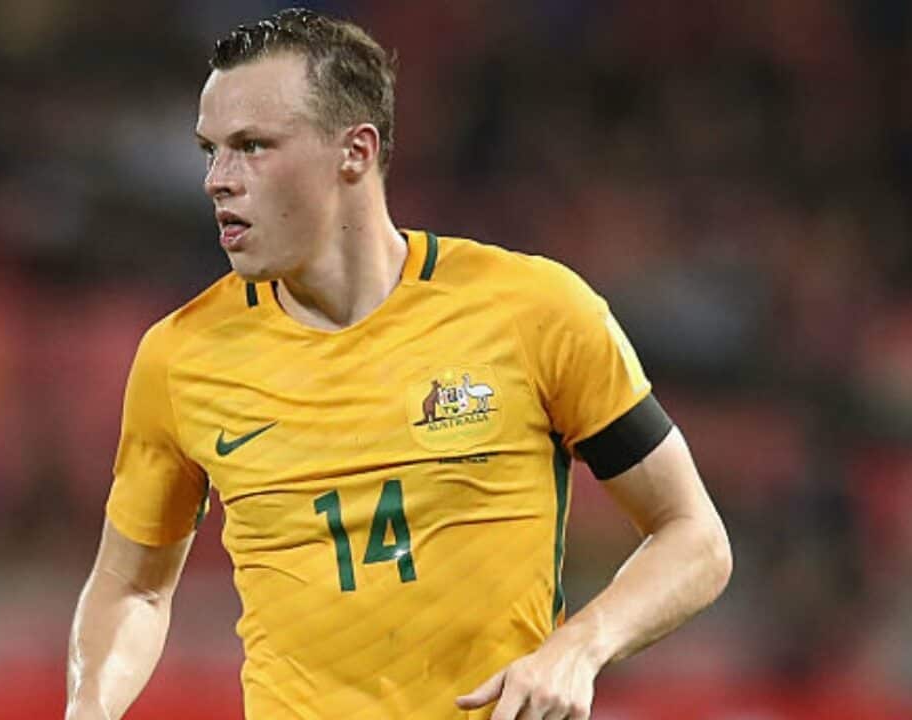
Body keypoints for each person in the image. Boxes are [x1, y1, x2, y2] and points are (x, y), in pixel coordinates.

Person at [65, 8, 732, 720]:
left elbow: (695, 538)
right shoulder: (181, 357)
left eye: (252, 146)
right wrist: (89, 711)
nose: (217, 180)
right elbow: (132, 587)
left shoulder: (534, 309)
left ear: (354, 151)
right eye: (210, 151)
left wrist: (580, 646)